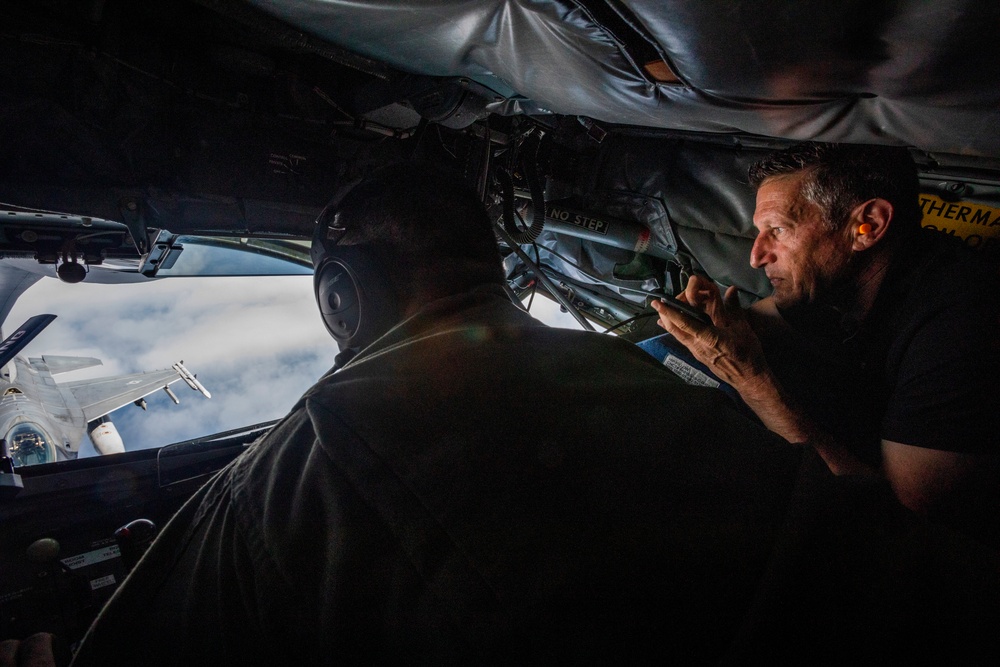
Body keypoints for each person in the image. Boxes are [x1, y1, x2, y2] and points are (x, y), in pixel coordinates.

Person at [59, 162, 999, 665]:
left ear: (342, 298)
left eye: (775, 232)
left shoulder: (307, 464)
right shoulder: (625, 373)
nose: (755, 258)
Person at [652, 142, 1000, 547]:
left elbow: (903, 525)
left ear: (866, 225)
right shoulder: (839, 284)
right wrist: (709, 323)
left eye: (778, 231)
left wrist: (753, 382)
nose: (757, 256)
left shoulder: (960, 327)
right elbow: (763, 323)